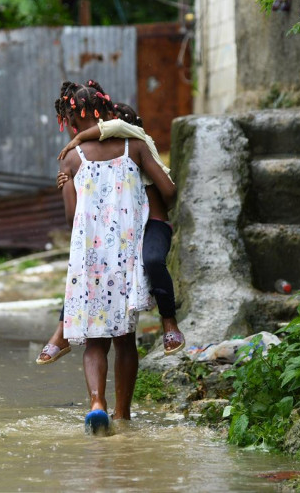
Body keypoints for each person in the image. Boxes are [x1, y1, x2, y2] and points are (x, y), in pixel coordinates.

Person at [53, 81, 176, 434]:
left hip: (92, 259)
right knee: (124, 339)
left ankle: (96, 403)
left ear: (71, 123)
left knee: (94, 339)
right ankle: (123, 414)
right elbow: (167, 190)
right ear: (108, 111)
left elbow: (72, 218)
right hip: (125, 254)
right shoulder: (134, 146)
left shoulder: (73, 157)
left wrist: (65, 186)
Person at [36, 93, 185, 366]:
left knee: (151, 260)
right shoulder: (85, 161)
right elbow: (75, 218)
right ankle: (63, 332)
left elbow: (168, 192)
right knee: (86, 270)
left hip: (150, 226)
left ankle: (169, 321)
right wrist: (68, 182)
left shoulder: (136, 146)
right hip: (122, 232)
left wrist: (80, 139)